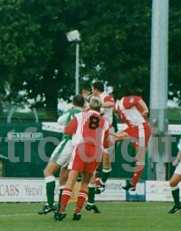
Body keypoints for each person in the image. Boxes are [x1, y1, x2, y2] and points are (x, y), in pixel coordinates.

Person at [54, 96, 111, 221]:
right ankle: (78, 212)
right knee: (85, 182)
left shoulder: (81, 116)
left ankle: (61, 211)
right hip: (96, 152)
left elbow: (68, 131)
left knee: (71, 180)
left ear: (89, 105)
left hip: (82, 148)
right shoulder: (105, 122)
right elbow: (107, 143)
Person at [38, 95, 85, 214]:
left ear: (73, 102)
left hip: (68, 143)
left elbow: (60, 121)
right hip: (79, 147)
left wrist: (70, 110)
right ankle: (60, 208)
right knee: (63, 177)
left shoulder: (72, 112)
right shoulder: (86, 114)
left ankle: (49, 204)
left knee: (48, 172)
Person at [113, 94, 151, 191]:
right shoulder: (118, 111)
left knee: (140, 158)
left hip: (141, 128)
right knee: (111, 139)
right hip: (133, 128)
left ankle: (133, 182)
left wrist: (145, 110)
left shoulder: (123, 103)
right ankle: (100, 175)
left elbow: (138, 99)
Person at [87, 81, 115, 212]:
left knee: (106, 154)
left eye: (92, 89)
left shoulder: (104, 96)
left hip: (107, 129)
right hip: (96, 131)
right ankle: (98, 181)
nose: (91, 91)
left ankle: (102, 180)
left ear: (96, 89)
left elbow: (111, 104)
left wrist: (99, 105)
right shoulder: (93, 99)